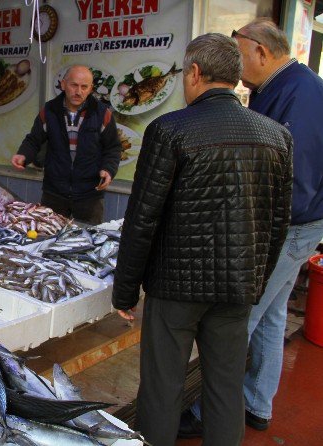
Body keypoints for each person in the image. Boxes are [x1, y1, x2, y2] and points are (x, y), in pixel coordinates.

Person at [112, 33, 293, 446]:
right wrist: (256, 282)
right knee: (225, 387)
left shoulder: (168, 129)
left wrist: (124, 292)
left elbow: (143, 219)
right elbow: (277, 222)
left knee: (161, 389)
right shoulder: (276, 136)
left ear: (194, 72)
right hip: (236, 287)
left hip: (174, 287)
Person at [180, 18, 323, 437]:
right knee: (273, 316)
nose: (235, 65)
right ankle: (257, 403)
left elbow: (294, 177)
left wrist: (248, 230)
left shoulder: (299, 94)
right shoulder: (281, 87)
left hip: (286, 227)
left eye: (238, 54)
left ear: (261, 51)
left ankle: (211, 413)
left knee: (235, 321)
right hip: (301, 224)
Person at [11, 65, 122, 224]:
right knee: (48, 238)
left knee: (86, 241)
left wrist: (109, 169)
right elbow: (34, 139)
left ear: (91, 89)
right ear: (63, 84)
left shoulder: (103, 113)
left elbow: (113, 147)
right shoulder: (49, 111)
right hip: (54, 193)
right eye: (74, 85)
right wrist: (23, 154)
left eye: (84, 87)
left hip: (89, 194)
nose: (79, 91)